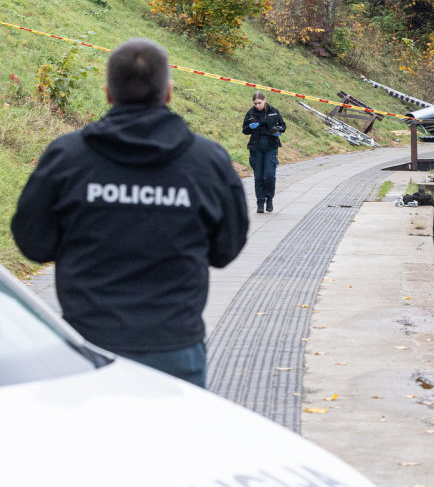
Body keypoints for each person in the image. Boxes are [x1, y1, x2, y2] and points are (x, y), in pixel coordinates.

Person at [10, 39, 249, 387]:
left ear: (108, 93)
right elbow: (226, 249)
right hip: (175, 350)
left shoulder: (67, 158)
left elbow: (34, 243)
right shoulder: (207, 161)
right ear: (167, 93)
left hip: (89, 348)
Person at [243, 91, 286, 213]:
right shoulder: (251, 113)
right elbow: (244, 130)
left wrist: (279, 130)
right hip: (256, 147)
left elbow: (283, 125)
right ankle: (260, 202)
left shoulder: (273, 111)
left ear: (265, 100)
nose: (257, 106)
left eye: (259, 103)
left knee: (269, 175)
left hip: (271, 146)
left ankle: (270, 199)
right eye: (255, 103)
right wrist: (249, 127)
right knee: (258, 176)